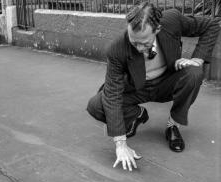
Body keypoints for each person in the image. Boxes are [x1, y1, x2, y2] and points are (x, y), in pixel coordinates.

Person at [87, 2, 220, 171]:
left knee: (194, 72)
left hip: (167, 83)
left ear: (158, 29)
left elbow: (211, 25)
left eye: (144, 43)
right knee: (96, 106)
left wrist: (197, 60)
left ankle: (173, 125)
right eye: (134, 42)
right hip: (137, 89)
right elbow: (112, 94)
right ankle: (137, 115)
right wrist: (120, 144)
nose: (139, 48)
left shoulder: (172, 20)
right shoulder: (116, 48)